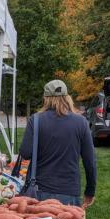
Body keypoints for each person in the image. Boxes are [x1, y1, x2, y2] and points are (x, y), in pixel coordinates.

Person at [19, 79, 97, 208]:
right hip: (69, 192)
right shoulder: (81, 122)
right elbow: (90, 162)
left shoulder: (36, 120)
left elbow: (25, 153)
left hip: (39, 190)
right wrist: (90, 191)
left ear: (46, 98)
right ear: (67, 97)